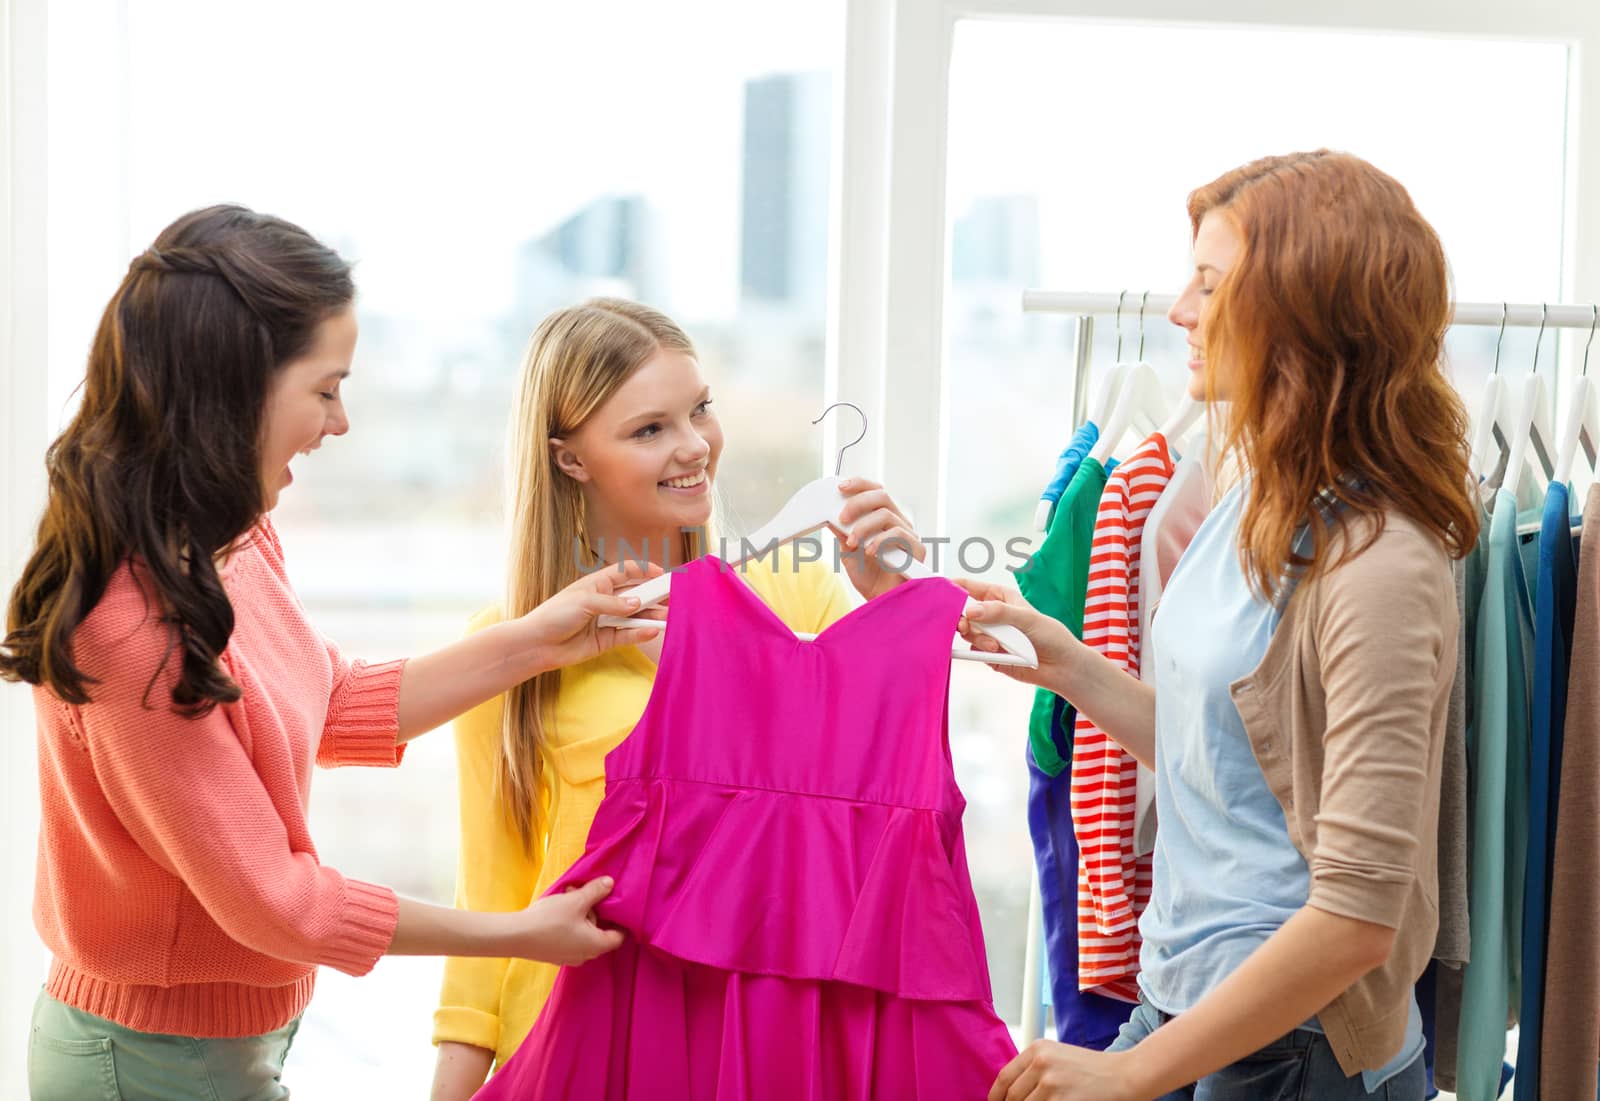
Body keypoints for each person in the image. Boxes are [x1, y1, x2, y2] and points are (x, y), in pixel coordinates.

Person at [2, 206, 660, 1101]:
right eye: (324, 388)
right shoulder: (129, 629)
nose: (339, 421)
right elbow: (280, 903)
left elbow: (331, 704)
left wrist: (539, 640)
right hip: (147, 1062)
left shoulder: (227, 541)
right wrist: (517, 931)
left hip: (221, 1043)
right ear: (234, 388)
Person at [961, 152, 1478, 1101]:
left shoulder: (1379, 564)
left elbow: (1361, 911)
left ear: (1306, 310)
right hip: (1191, 1009)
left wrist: (1131, 1075)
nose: (1179, 310)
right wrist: (1069, 663)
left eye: (1211, 281)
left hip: (1303, 1051)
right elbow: (1226, 754)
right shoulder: (1250, 496)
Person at [430, 297, 925, 1098]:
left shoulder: (795, 592)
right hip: (559, 1048)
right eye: (649, 429)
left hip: (754, 1049)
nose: (695, 446)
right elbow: (491, 895)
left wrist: (894, 604)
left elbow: (872, 811)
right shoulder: (513, 643)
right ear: (569, 460)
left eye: (699, 410)